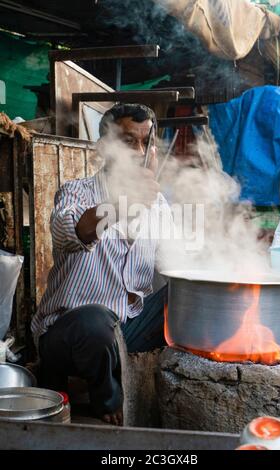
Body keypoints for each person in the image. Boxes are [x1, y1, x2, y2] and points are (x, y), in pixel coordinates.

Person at [31, 103, 170, 426]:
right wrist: (121, 205)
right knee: (95, 320)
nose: (138, 152)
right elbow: (72, 231)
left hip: (126, 330)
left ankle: (144, 378)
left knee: (186, 296)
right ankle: (106, 400)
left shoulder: (158, 204)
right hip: (68, 334)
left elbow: (173, 261)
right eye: (127, 142)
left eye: (145, 143)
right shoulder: (75, 192)